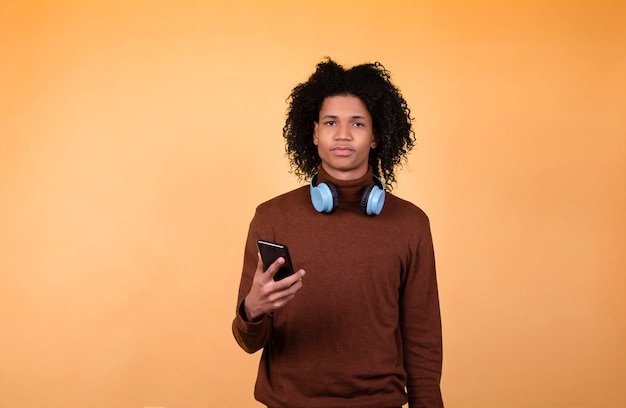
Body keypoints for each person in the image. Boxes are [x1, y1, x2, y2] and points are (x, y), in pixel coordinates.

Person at [232, 57, 443, 408]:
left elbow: (422, 339)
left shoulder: (410, 223)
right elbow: (249, 340)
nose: (343, 134)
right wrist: (252, 309)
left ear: (376, 135)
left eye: (357, 123)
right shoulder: (272, 217)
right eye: (331, 122)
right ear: (315, 132)